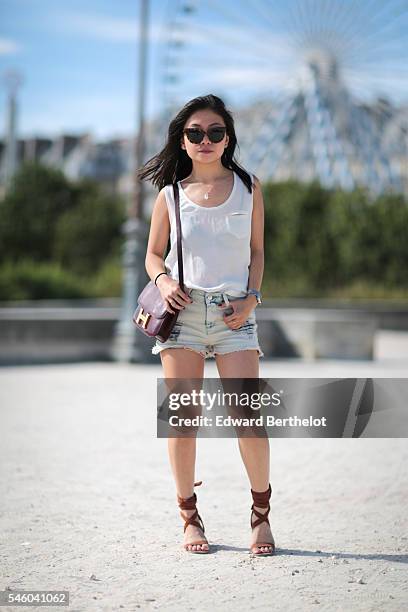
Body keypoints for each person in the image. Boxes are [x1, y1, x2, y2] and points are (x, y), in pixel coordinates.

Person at [139, 94, 275, 556]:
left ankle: (260, 515)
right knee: (183, 421)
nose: (205, 140)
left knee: (248, 419)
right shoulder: (170, 195)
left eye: (215, 132)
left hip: (235, 314)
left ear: (228, 139)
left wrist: (252, 300)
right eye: (195, 133)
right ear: (182, 140)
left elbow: (257, 253)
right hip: (183, 316)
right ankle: (189, 517)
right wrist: (162, 279)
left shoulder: (250, 187)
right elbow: (152, 253)